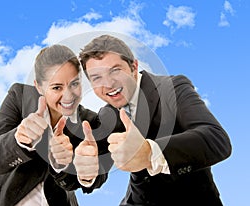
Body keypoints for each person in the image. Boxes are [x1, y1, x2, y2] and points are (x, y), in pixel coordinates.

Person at [78, 34, 232, 205]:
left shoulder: (172, 88)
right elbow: (96, 171)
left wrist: (149, 153)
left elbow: (216, 139)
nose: (108, 84)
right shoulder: (107, 114)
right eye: (97, 77)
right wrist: (87, 170)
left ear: (134, 67)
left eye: (115, 70)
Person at [0, 44, 107, 206]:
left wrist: (81, 171)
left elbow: (97, 177)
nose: (68, 96)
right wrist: (20, 141)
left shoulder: (90, 122)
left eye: (74, 84)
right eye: (57, 87)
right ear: (39, 86)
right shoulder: (19, 97)